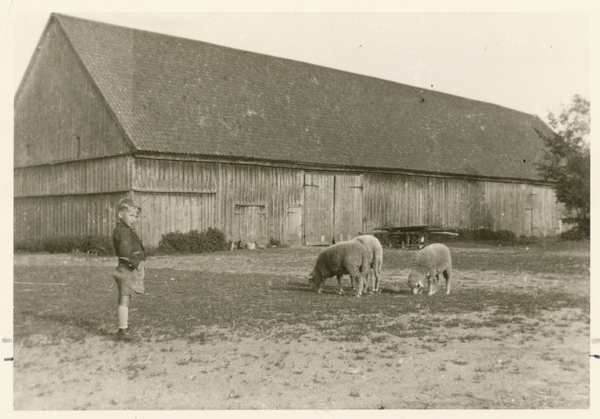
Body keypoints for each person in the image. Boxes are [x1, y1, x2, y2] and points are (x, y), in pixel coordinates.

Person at [112, 198, 146, 342]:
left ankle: (124, 326)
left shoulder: (124, 229)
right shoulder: (123, 231)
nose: (134, 219)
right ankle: (123, 330)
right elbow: (125, 252)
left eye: (136, 216)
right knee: (125, 298)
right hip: (127, 269)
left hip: (128, 267)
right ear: (121, 214)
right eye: (131, 215)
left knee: (125, 297)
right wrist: (135, 264)